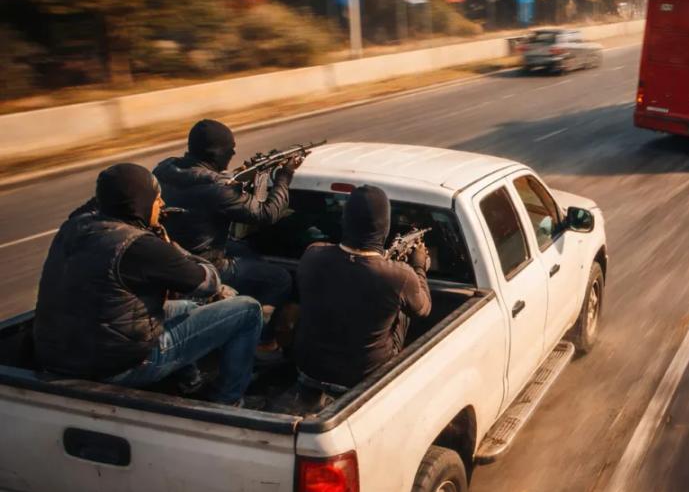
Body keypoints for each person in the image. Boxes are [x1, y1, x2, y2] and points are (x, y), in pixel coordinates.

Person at [33, 164, 262, 405]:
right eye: (156, 198)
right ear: (139, 203)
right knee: (247, 310)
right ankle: (229, 400)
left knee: (187, 308)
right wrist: (168, 242)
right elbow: (208, 283)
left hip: (57, 357)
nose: (162, 204)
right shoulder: (140, 245)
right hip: (119, 366)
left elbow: (98, 203)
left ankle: (190, 381)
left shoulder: (73, 227)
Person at [153, 119, 299, 343]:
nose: (233, 155)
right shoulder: (217, 188)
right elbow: (266, 214)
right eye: (230, 151)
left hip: (170, 255)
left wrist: (241, 178)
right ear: (215, 153)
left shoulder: (164, 170)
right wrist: (284, 178)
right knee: (280, 279)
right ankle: (259, 337)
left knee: (246, 249)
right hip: (205, 264)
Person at [294, 185, 431, 390]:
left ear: (345, 222)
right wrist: (419, 267)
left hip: (309, 369)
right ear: (385, 228)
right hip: (365, 379)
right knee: (405, 306)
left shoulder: (312, 254)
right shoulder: (400, 276)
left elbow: (351, 274)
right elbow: (424, 309)